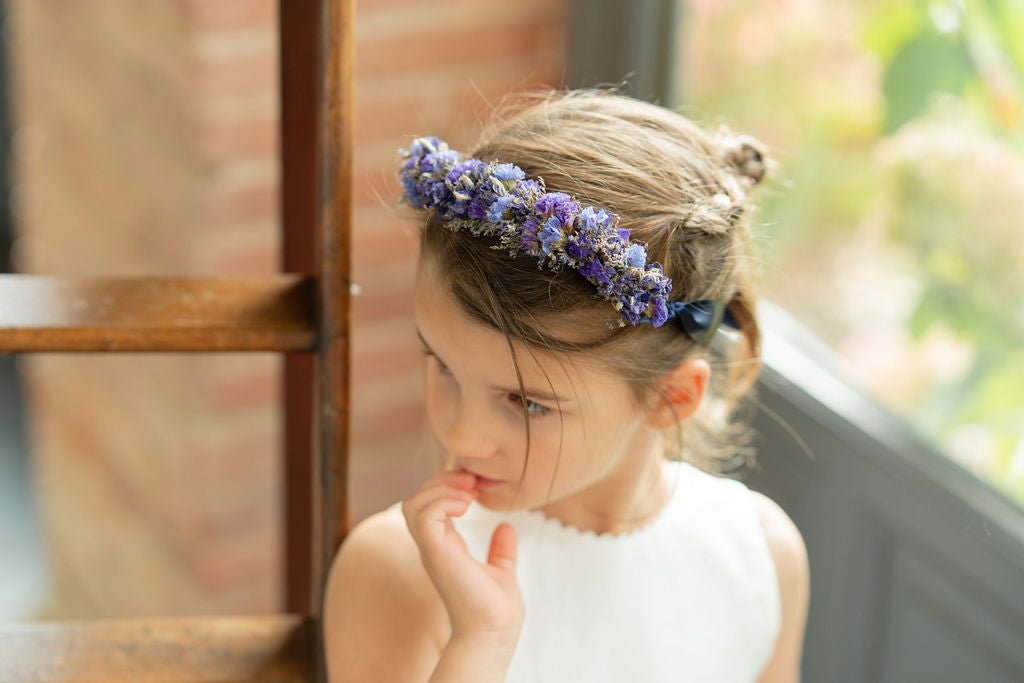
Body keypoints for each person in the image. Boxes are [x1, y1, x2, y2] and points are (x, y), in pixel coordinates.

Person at [324, 88, 810, 682]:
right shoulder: (399, 571)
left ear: (670, 396)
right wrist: (479, 644)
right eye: (444, 366)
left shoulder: (759, 559)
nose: (461, 434)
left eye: (525, 401)